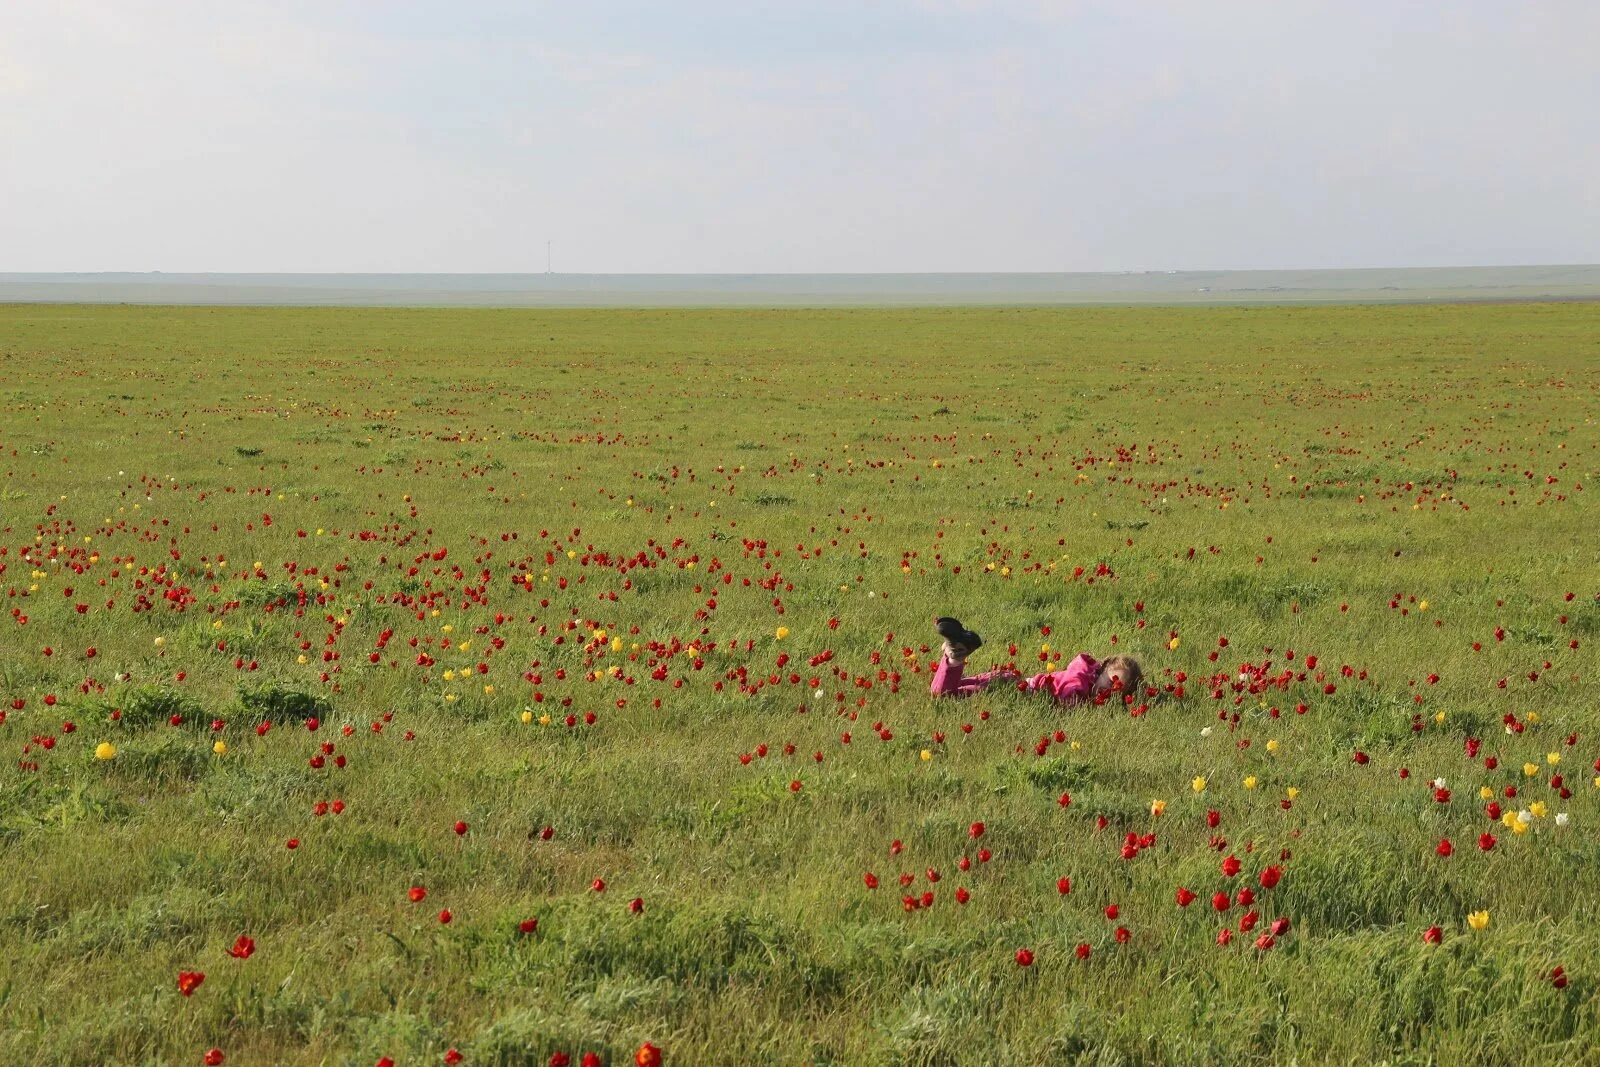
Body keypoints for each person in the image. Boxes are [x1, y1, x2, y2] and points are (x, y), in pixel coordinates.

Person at [929, 616, 1142, 704]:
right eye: (1111, 680)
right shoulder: (1080, 682)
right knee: (944, 696)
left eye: (1118, 689)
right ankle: (955, 654)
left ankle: (958, 647)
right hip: (1013, 689)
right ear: (1102, 670)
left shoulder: (1085, 677)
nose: (1111, 689)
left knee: (955, 688)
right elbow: (1069, 696)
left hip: (1013, 681)